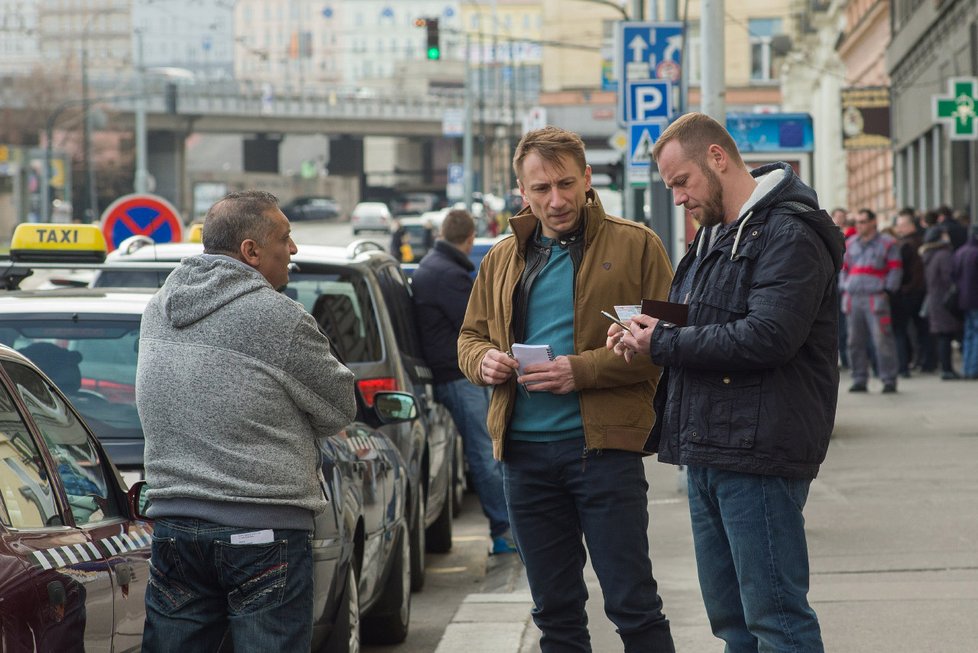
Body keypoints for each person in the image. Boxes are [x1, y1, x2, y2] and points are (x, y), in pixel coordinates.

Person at [607, 112, 844, 653]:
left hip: (758, 451)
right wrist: (647, 326)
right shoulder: (716, 234)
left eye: (681, 182)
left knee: (777, 621)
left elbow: (768, 335)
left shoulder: (788, 231)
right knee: (733, 623)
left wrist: (660, 343)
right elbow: (703, 316)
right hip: (709, 448)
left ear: (717, 158)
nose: (678, 199)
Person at [457, 126, 676, 652]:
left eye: (565, 184)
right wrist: (482, 361)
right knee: (554, 614)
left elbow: (670, 343)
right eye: (540, 189)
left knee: (633, 605)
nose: (555, 201)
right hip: (524, 459)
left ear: (587, 179)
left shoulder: (636, 244)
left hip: (602, 454)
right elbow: (469, 336)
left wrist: (581, 371)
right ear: (521, 191)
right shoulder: (502, 257)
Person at [136, 190, 357, 652]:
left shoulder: (159, 307)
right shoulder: (279, 318)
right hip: (262, 530)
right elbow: (340, 407)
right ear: (250, 252)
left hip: (175, 527)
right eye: (285, 237)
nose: (293, 250)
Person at [411, 208, 516, 555]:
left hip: (449, 373)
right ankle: (505, 531)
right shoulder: (449, 275)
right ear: (470, 239)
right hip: (458, 375)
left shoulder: (434, 266)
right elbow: (480, 324)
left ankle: (505, 528)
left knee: (484, 451)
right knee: (485, 453)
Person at [840, 208, 902, 392]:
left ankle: (888, 379)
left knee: (882, 340)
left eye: (863, 221)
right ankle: (859, 378)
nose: (859, 225)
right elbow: (844, 269)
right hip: (853, 298)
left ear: (873, 222)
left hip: (876, 298)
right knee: (854, 342)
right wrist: (845, 287)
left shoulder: (888, 243)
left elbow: (895, 270)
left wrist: (887, 290)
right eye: (857, 222)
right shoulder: (850, 244)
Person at [920, 226, 962, 379]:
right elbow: (948, 277)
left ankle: (945, 368)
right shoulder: (943, 254)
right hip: (944, 299)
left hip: (934, 298)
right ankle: (947, 369)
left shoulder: (929, 254)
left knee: (942, 335)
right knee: (946, 334)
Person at [891, 209, 928, 377]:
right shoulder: (922, 241)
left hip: (907, 292)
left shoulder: (905, 245)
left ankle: (904, 365)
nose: (898, 228)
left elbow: (901, 271)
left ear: (908, 225)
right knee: (921, 329)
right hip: (919, 291)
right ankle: (925, 362)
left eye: (900, 225)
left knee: (901, 330)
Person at [951, 223, 978, 379]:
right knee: (975, 333)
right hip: (974, 298)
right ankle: (973, 368)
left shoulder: (960, 252)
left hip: (963, 299)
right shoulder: (975, 253)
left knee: (968, 334)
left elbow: (953, 276)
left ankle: (967, 367)